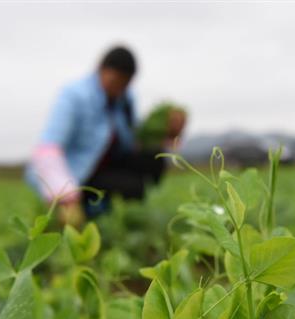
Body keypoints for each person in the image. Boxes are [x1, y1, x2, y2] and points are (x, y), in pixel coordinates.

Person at [26, 46, 187, 226]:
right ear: (101, 70)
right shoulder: (74, 95)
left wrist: (168, 133)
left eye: (124, 84)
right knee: (130, 187)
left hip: (108, 166)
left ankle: (115, 219)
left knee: (154, 160)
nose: (118, 89)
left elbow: (134, 142)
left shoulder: (125, 98)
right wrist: (66, 194)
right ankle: (91, 216)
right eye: (114, 82)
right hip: (78, 174)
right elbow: (48, 148)